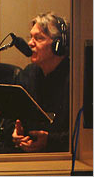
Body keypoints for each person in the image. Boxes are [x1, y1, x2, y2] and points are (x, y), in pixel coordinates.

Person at [9, 12, 69, 153]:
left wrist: (50, 140)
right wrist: (15, 134)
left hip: (60, 157)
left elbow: (84, 136)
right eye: (31, 37)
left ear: (58, 45)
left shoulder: (75, 80)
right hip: (24, 155)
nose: (30, 43)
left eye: (38, 38)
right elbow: (11, 116)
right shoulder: (28, 73)